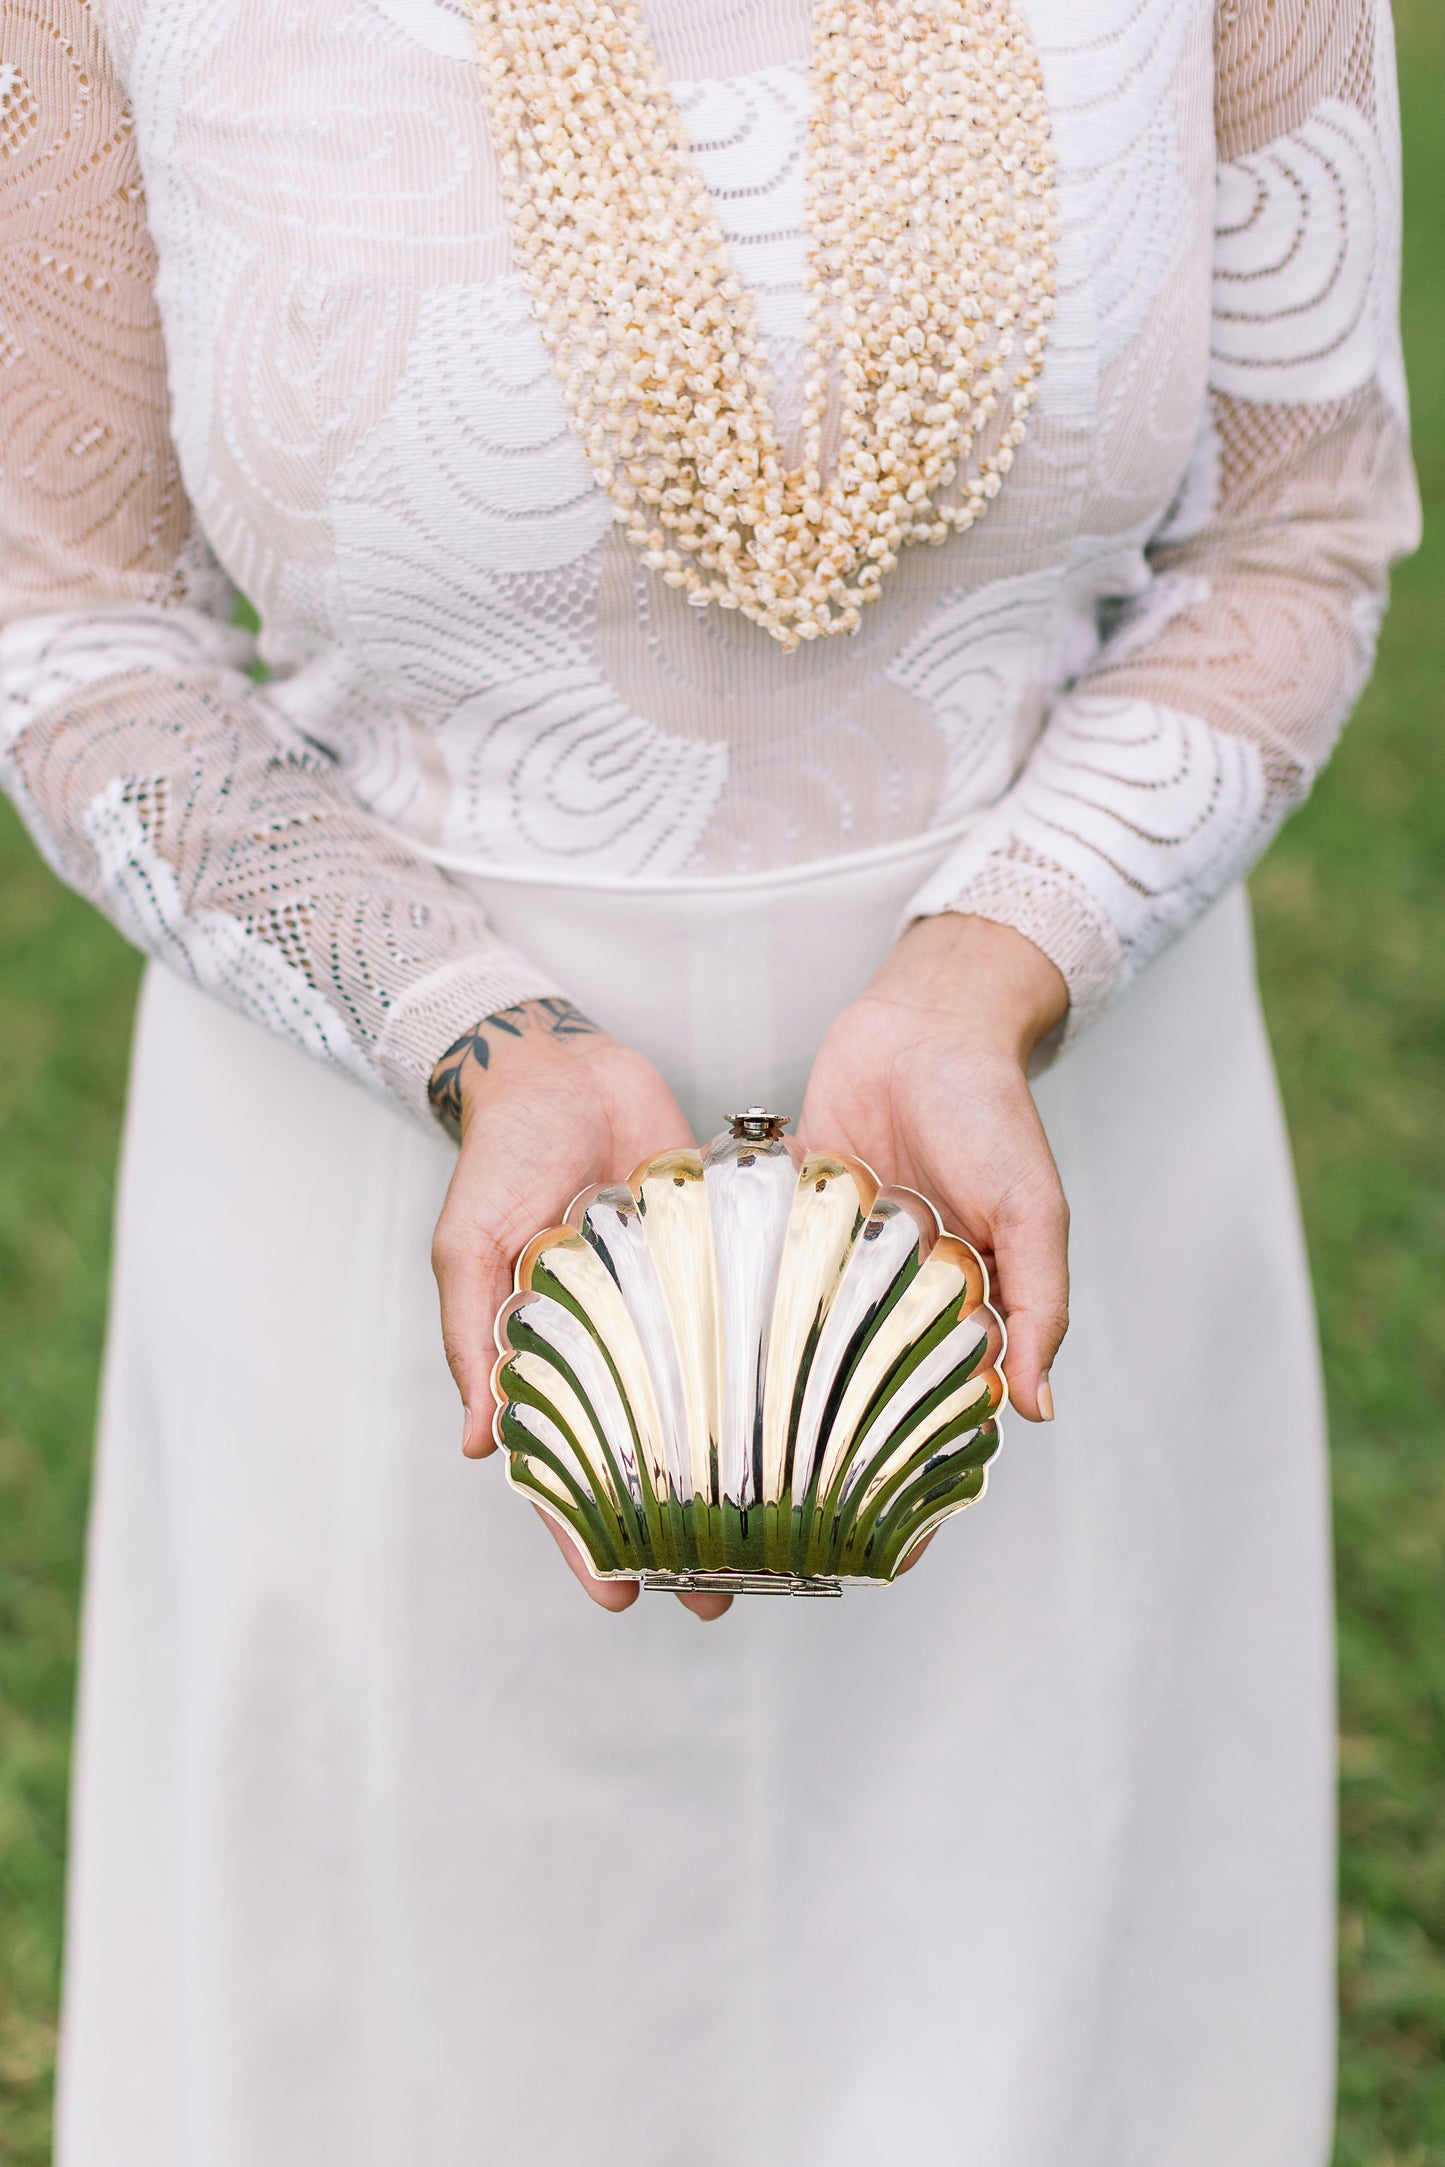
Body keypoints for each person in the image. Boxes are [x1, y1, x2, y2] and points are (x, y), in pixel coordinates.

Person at [0, 0, 1417, 2158]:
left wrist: (997, 957)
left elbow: (1291, 545)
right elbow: (72, 622)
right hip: (393, 1230)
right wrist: (467, 1030)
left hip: (1050, 1177)